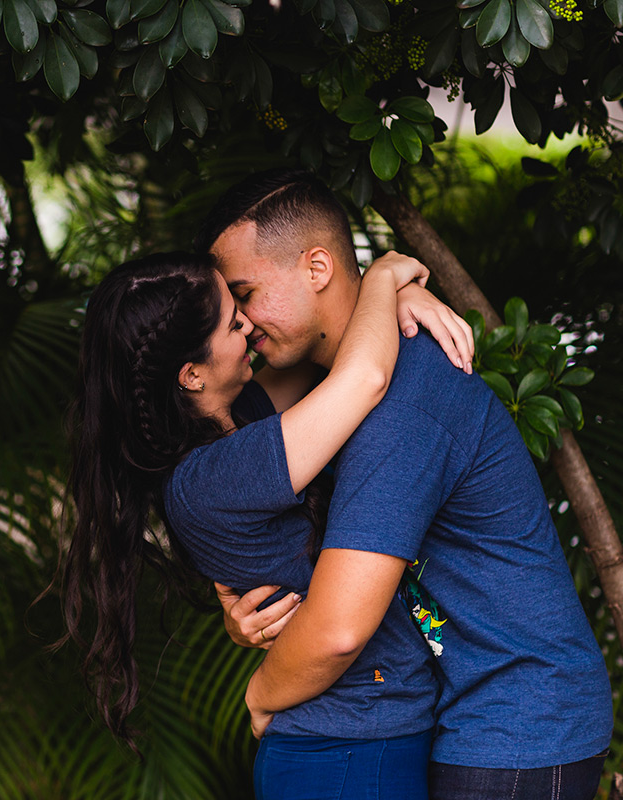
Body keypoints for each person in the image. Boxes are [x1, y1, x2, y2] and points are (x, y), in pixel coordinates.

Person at [199, 168, 613, 800]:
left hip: (519, 723)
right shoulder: (335, 393)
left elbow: (340, 628)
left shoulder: (405, 403)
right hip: (475, 716)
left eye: (247, 294)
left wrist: (262, 692)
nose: (244, 321)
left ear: (317, 268)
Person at [58, 246, 473, 799]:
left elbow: (332, 337)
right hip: (342, 754)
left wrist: (404, 299)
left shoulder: (243, 414)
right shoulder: (215, 476)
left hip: (364, 735)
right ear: (191, 375)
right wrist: (384, 275)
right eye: (234, 322)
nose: (250, 323)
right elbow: (365, 374)